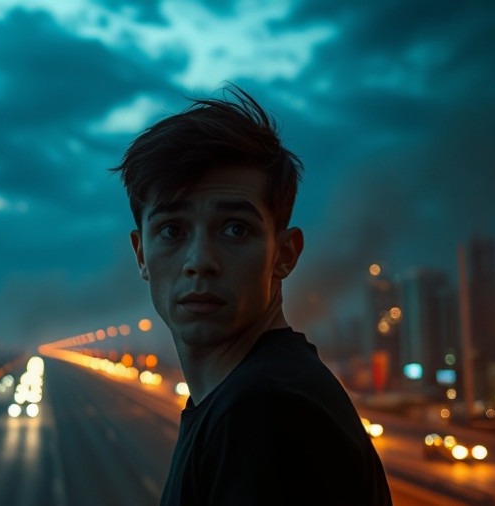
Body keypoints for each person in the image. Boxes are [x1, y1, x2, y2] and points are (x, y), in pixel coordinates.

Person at [110, 85, 392, 505]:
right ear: (141, 254)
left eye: (235, 229)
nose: (200, 260)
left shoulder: (265, 413)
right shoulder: (247, 394)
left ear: (284, 253)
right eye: (172, 230)